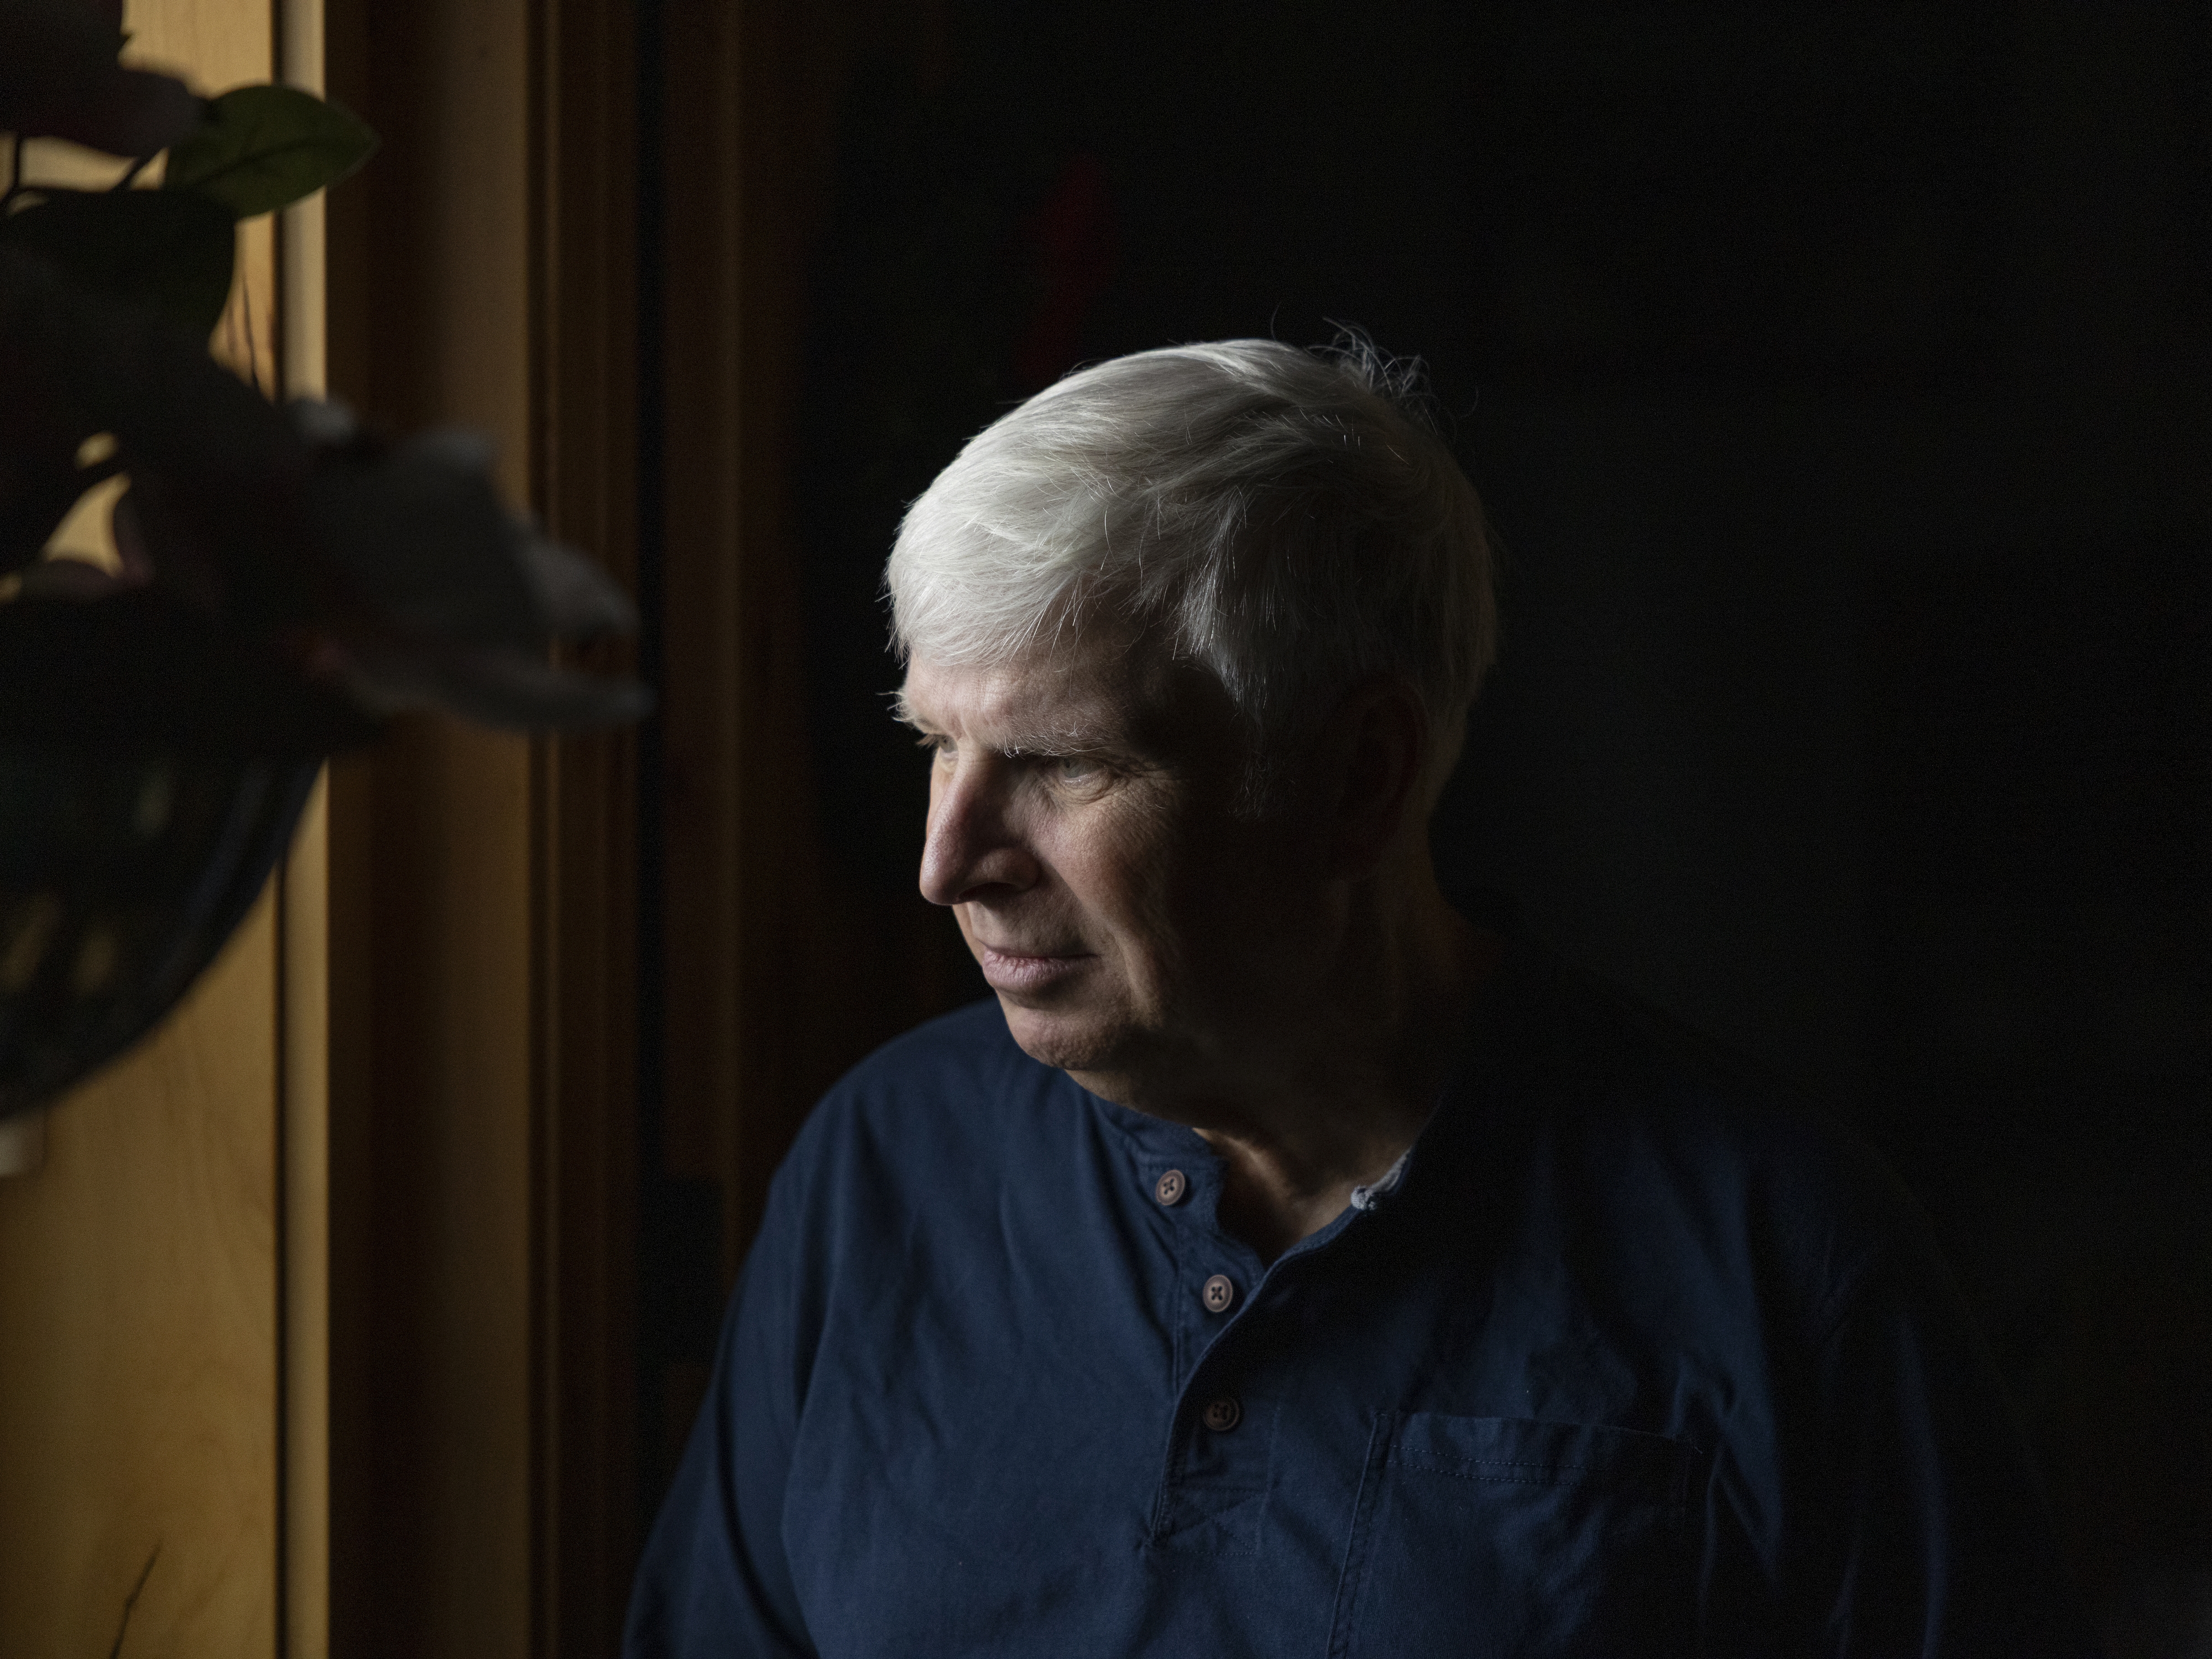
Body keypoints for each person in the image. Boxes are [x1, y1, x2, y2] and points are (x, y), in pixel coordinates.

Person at [627, 339, 2090, 1656]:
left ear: (1359, 778)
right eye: (937, 742)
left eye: (1064, 763)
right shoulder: (882, 1168)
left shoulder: (1780, 1255)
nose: (949, 863)